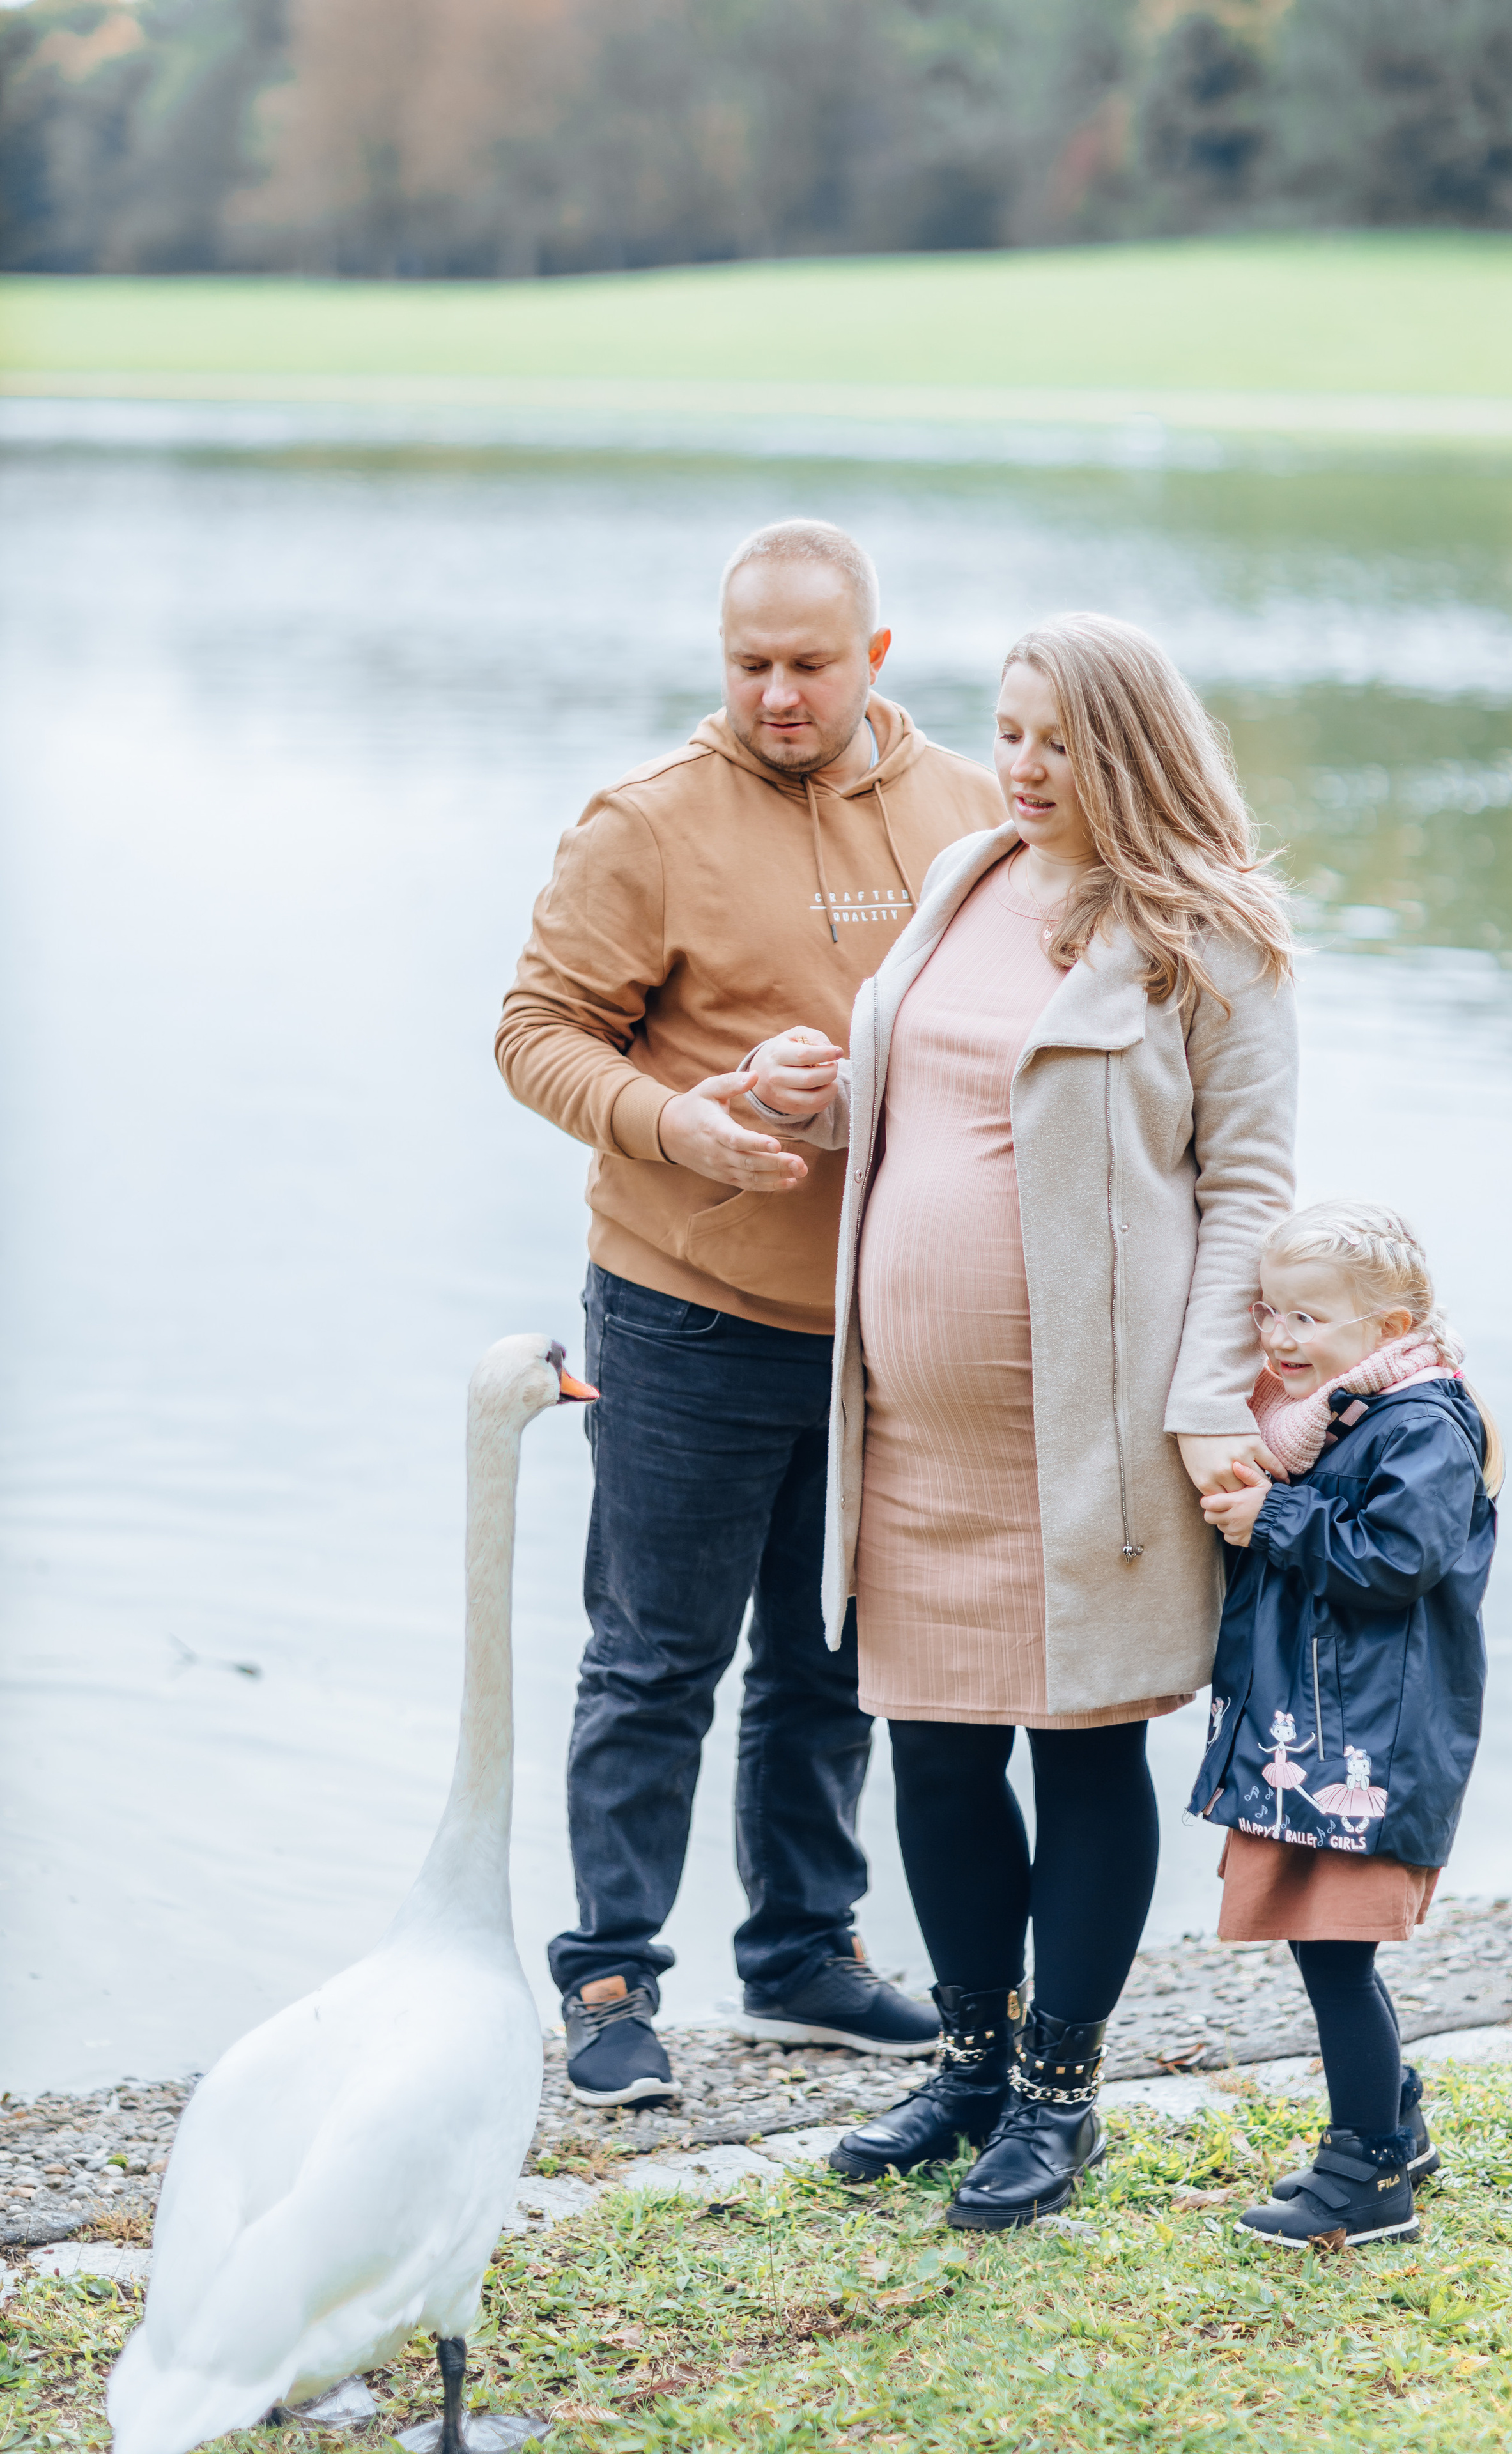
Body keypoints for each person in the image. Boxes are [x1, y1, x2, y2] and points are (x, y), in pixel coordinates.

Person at [751, 612, 1299, 2227]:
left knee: (1079, 1753)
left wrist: (1208, 1407)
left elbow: (1247, 1190)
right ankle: (970, 2065)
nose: (1021, 767)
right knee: (927, 1750)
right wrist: (822, 1092)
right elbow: (936, 1091)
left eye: (1055, 740)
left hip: (1091, 1439)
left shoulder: (1212, 936)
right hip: (907, 1431)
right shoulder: (966, 879)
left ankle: (1062, 2097)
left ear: (1128, 746)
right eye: (1004, 732)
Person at [494, 519, 1005, 2106]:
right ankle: (608, 1983)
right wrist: (681, 1118)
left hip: (880, 1322)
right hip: (684, 1309)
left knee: (830, 1657)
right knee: (653, 1656)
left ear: (874, 656)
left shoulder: (972, 815)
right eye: (747, 665)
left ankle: (800, 1957)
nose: (776, 696)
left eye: (806, 665)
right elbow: (534, 1032)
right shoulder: (643, 824)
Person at [1185, 1200, 1500, 2250]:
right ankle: (1396, 2124)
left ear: (1386, 1326)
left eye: (1308, 1319)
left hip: (1371, 1743)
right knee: (1328, 1949)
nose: (1279, 1337)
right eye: (1270, 1311)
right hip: (1320, 1733)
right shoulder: (1343, 1416)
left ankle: (1367, 2172)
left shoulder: (1425, 1423)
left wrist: (1273, 1517)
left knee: (1335, 1953)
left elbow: (1395, 1561)